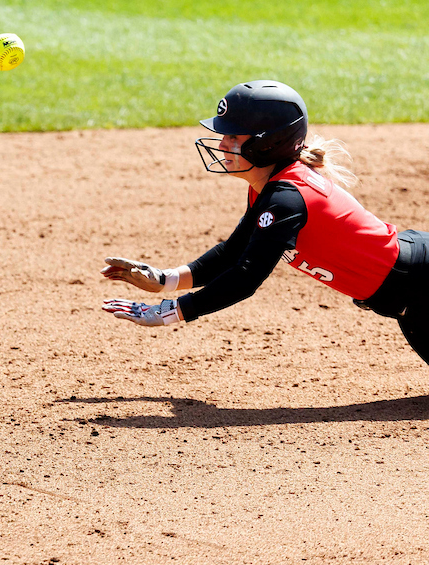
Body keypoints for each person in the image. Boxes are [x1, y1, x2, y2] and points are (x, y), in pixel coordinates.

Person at [101, 80, 428, 365]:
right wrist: (164, 280)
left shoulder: (286, 198)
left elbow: (245, 278)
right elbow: (233, 253)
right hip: (409, 302)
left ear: (266, 142)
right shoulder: (268, 189)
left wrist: (166, 311)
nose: (222, 144)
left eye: (232, 136)